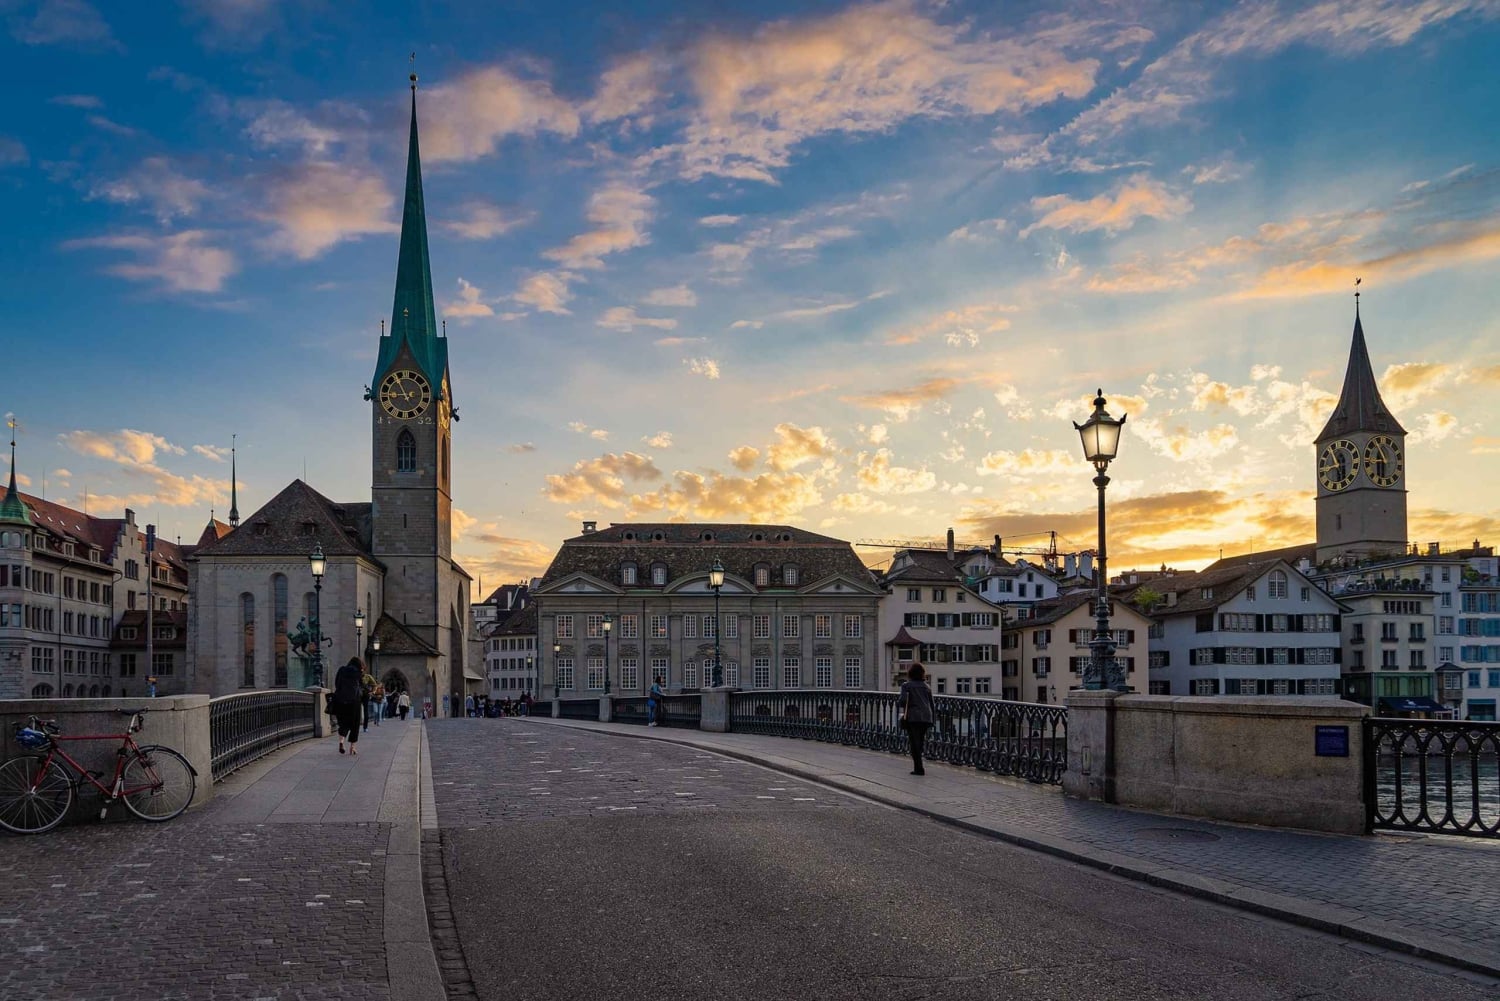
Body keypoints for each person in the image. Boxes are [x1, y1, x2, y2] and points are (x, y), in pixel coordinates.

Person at [896, 662, 936, 775]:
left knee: (914, 742)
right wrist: (932, 719)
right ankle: (919, 766)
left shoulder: (906, 686)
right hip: (926, 717)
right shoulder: (927, 686)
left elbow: (903, 701)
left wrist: (899, 702)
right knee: (921, 741)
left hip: (913, 717)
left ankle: (918, 768)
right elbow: (932, 704)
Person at [331, 657, 366, 756]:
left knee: (343, 722)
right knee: (355, 724)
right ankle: (352, 747)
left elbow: (337, 683)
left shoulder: (342, 670)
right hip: (354, 701)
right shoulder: (358, 673)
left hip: (340, 700)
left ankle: (341, 741)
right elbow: (361, 686)